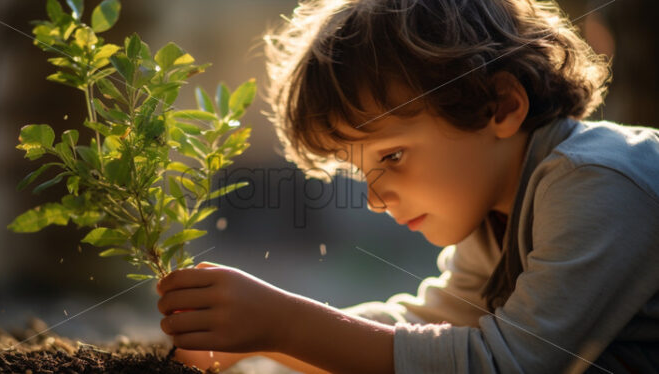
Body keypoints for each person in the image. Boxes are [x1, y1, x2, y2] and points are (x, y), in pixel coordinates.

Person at [155, 0, 659, 372]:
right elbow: (432, 326)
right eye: (359, 172)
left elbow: (506, 363)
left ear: (501, 105)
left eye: (392, 156)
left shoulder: (595, 181)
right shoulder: (499, 212)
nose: (375, 198)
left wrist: (285, 324)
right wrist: (257, 338)